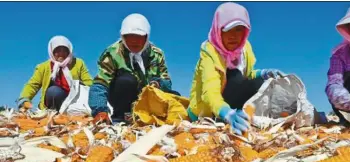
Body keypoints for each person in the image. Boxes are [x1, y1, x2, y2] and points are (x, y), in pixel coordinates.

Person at [188, 2, 285, 135]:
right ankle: (232, 116)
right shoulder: (210, 53)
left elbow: (248, 75)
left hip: (232, 98)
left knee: (262, 84)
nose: (233, 35)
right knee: (234, 76)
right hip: (207, 111)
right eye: (227, 29)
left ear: (246, 31)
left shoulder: (245, 48)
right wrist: (226, 113)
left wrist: (263, 73)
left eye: (238, 29)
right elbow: (210, 93)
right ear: (218, 30)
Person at [89, 13, 177, 124]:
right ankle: (121, 117)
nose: (134, 41)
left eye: (139, 36)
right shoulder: (112, 53)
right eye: (129, 36)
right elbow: (100, 83)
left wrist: (157, 83)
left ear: (147, 37)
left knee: (175, 95)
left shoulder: (157, 55)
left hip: (147, 99)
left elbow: (167, 82)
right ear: (122, 36)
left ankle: (149, 116)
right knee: (126, 80)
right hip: (123, 96)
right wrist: (99, 110)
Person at [17, 36, 93, 111]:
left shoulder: (78, 63)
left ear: (69, 51)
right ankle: (53, 114)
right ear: (52, 52)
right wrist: (24, 99)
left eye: (65, 50)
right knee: (54, 91)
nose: (61, 54)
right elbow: (32, 85)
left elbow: (88, 82)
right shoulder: (43, 67)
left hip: (73, 102)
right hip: (51, 100)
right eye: (57, 51)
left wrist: (78, 85)